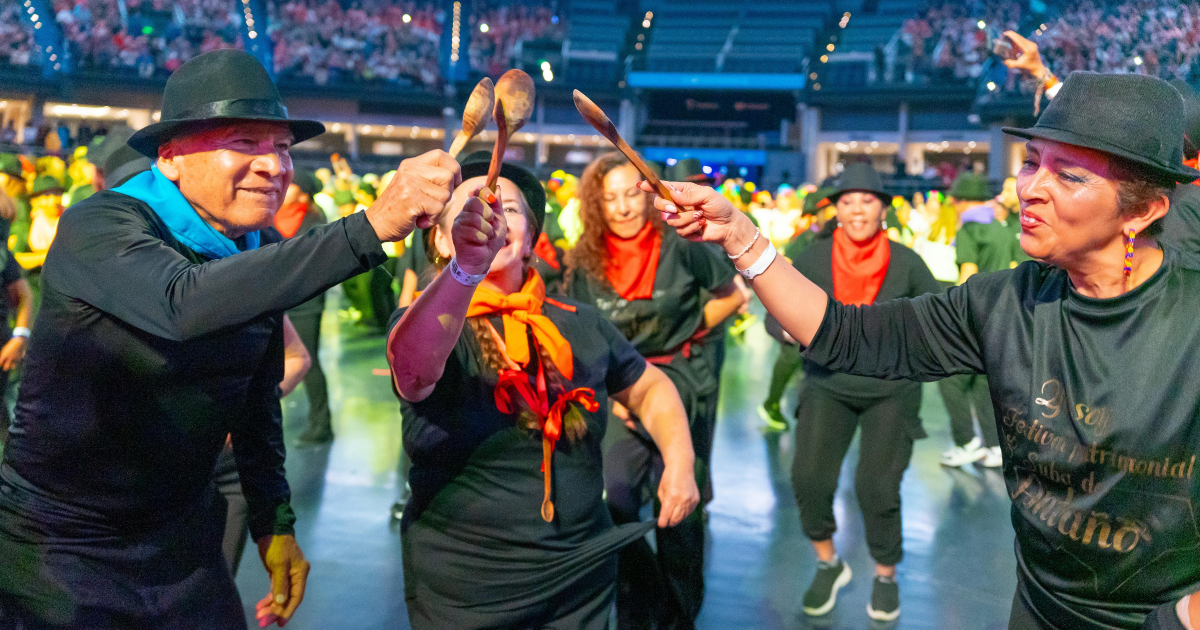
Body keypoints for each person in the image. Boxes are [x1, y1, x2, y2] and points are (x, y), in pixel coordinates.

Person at [649, 71, 1200, 630]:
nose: (1030, 187)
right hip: (1038, 610)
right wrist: (741, 237)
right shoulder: (1003, 301)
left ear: (1142, 211)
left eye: (1070, 174)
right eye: (1032, 161)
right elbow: (845, 335)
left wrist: (1181, 619)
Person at [0, 49, 459, 629]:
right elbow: (183, 301)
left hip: (182, 533)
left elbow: (254, 400)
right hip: (60, 544)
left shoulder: (254, 251)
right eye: (244, 142)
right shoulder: (101, 225)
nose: (273, 165)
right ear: (169, 156)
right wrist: (372, 226)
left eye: (283, 148)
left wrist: (275, 523)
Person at [387, 152, 699, 630]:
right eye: (473, 206)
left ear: (531, 237)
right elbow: (414, 368)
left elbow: (650, 387)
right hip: (467, 580)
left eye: (509, 209)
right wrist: (465, 273)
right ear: (442, 241)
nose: (491, 213)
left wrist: (679, 463)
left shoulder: (581, 322)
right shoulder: (425, 324)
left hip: (579, 570)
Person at [563, 152, 745, 630]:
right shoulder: (582, 261)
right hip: (619, 394)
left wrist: (684, 333)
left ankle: (681, 614)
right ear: (594, 206)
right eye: (609, 199)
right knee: (615, 500)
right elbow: (582, 337)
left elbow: (733, 296)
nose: (622, 207)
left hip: (683, 389)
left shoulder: (681, 245)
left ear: (646, 197)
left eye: (630, 194)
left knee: (680, 509)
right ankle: (645, 597)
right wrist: (616, 391)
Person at [768, 163, 940, 621]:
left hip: (891, 390)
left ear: (883, 208)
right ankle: (829, 562)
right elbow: (774, 313)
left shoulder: (907, 262)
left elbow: (939, 320)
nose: (858, 209)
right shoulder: (812, 257)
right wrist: (793, 331)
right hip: (827, 384)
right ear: (836, 209)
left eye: (867, 200)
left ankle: (885, 573)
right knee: (809, 479)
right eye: (848, 201)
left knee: (877, 487)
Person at [936, 172, 1018, 469]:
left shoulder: (970, 229)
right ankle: (995, 446)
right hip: (1002, 316)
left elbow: (967, 274)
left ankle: (966, 442)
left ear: (960, 201)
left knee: (949, 379)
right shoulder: (1002, 228)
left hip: (975, 316)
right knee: (984, 383)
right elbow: (1013, 267)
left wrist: (952, 317)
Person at [278, 169, 335, 447]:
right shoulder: (271, 216)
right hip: (276, 300)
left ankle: (321, 425)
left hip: (306, 302)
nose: (282, 189)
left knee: (307, 361)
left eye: (290, 185)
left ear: (302, 192)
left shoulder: (314, 218)